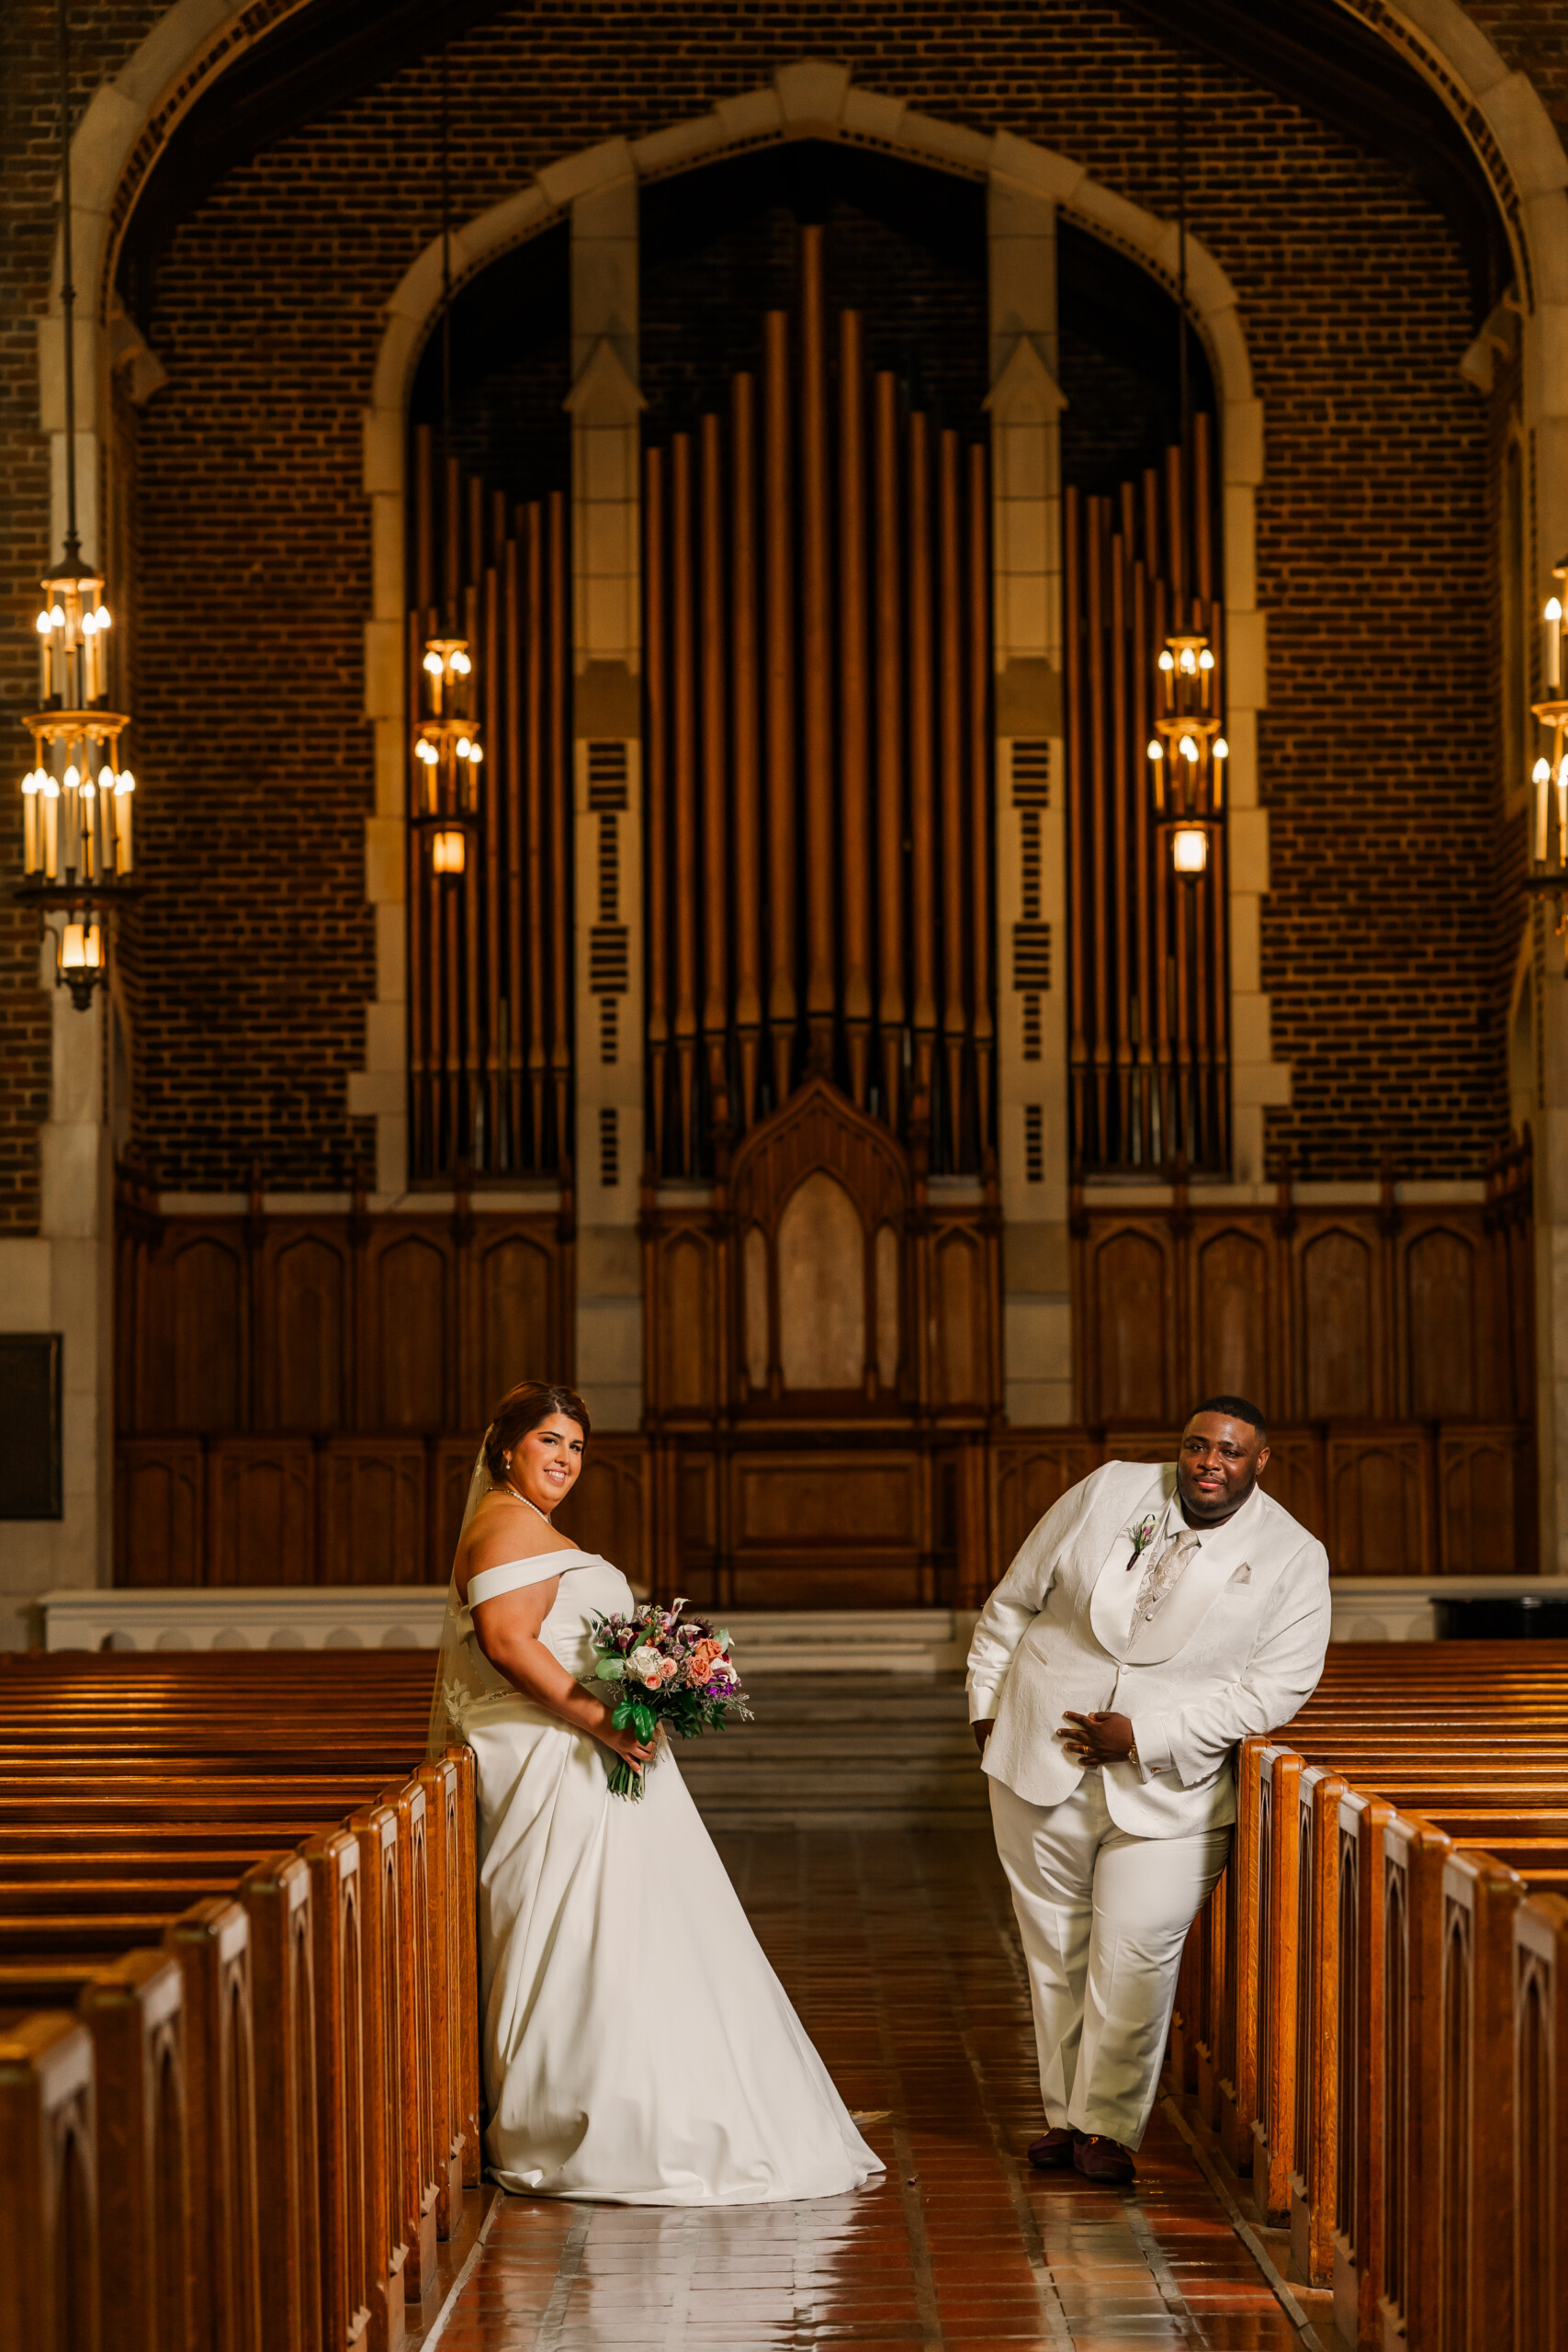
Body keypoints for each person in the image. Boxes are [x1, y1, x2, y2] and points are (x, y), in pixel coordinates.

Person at [428, 1378, 882, 2204]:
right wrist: (600, 1721)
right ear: (507, 1449)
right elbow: (505, 1643)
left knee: (635, 1927)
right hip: (550, 1755)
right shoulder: (502, 1526)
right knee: (585, 1930)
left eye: (576, 1447)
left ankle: (645, 2096)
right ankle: (584, 2113)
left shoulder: (524, 1524)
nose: (565, 1460)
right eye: (549, 1443)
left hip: (581, 1742)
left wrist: (644, 1685)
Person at [967, 1396, 1330, 2184]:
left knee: (1135, 1949)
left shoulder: (1293, 1555)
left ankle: (1109, 2127)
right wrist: (988, 1711)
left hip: (1173, 1792)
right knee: (1054, 1951)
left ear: (1259, 1461)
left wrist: (1146, 1738)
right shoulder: (1107, 1490)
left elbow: (1273, 1690)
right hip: (1037, 1755)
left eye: (1229, 1453)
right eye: (1196, 1447)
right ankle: (1066, 2118)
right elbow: (1012, 1600)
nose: (1208, 1464)